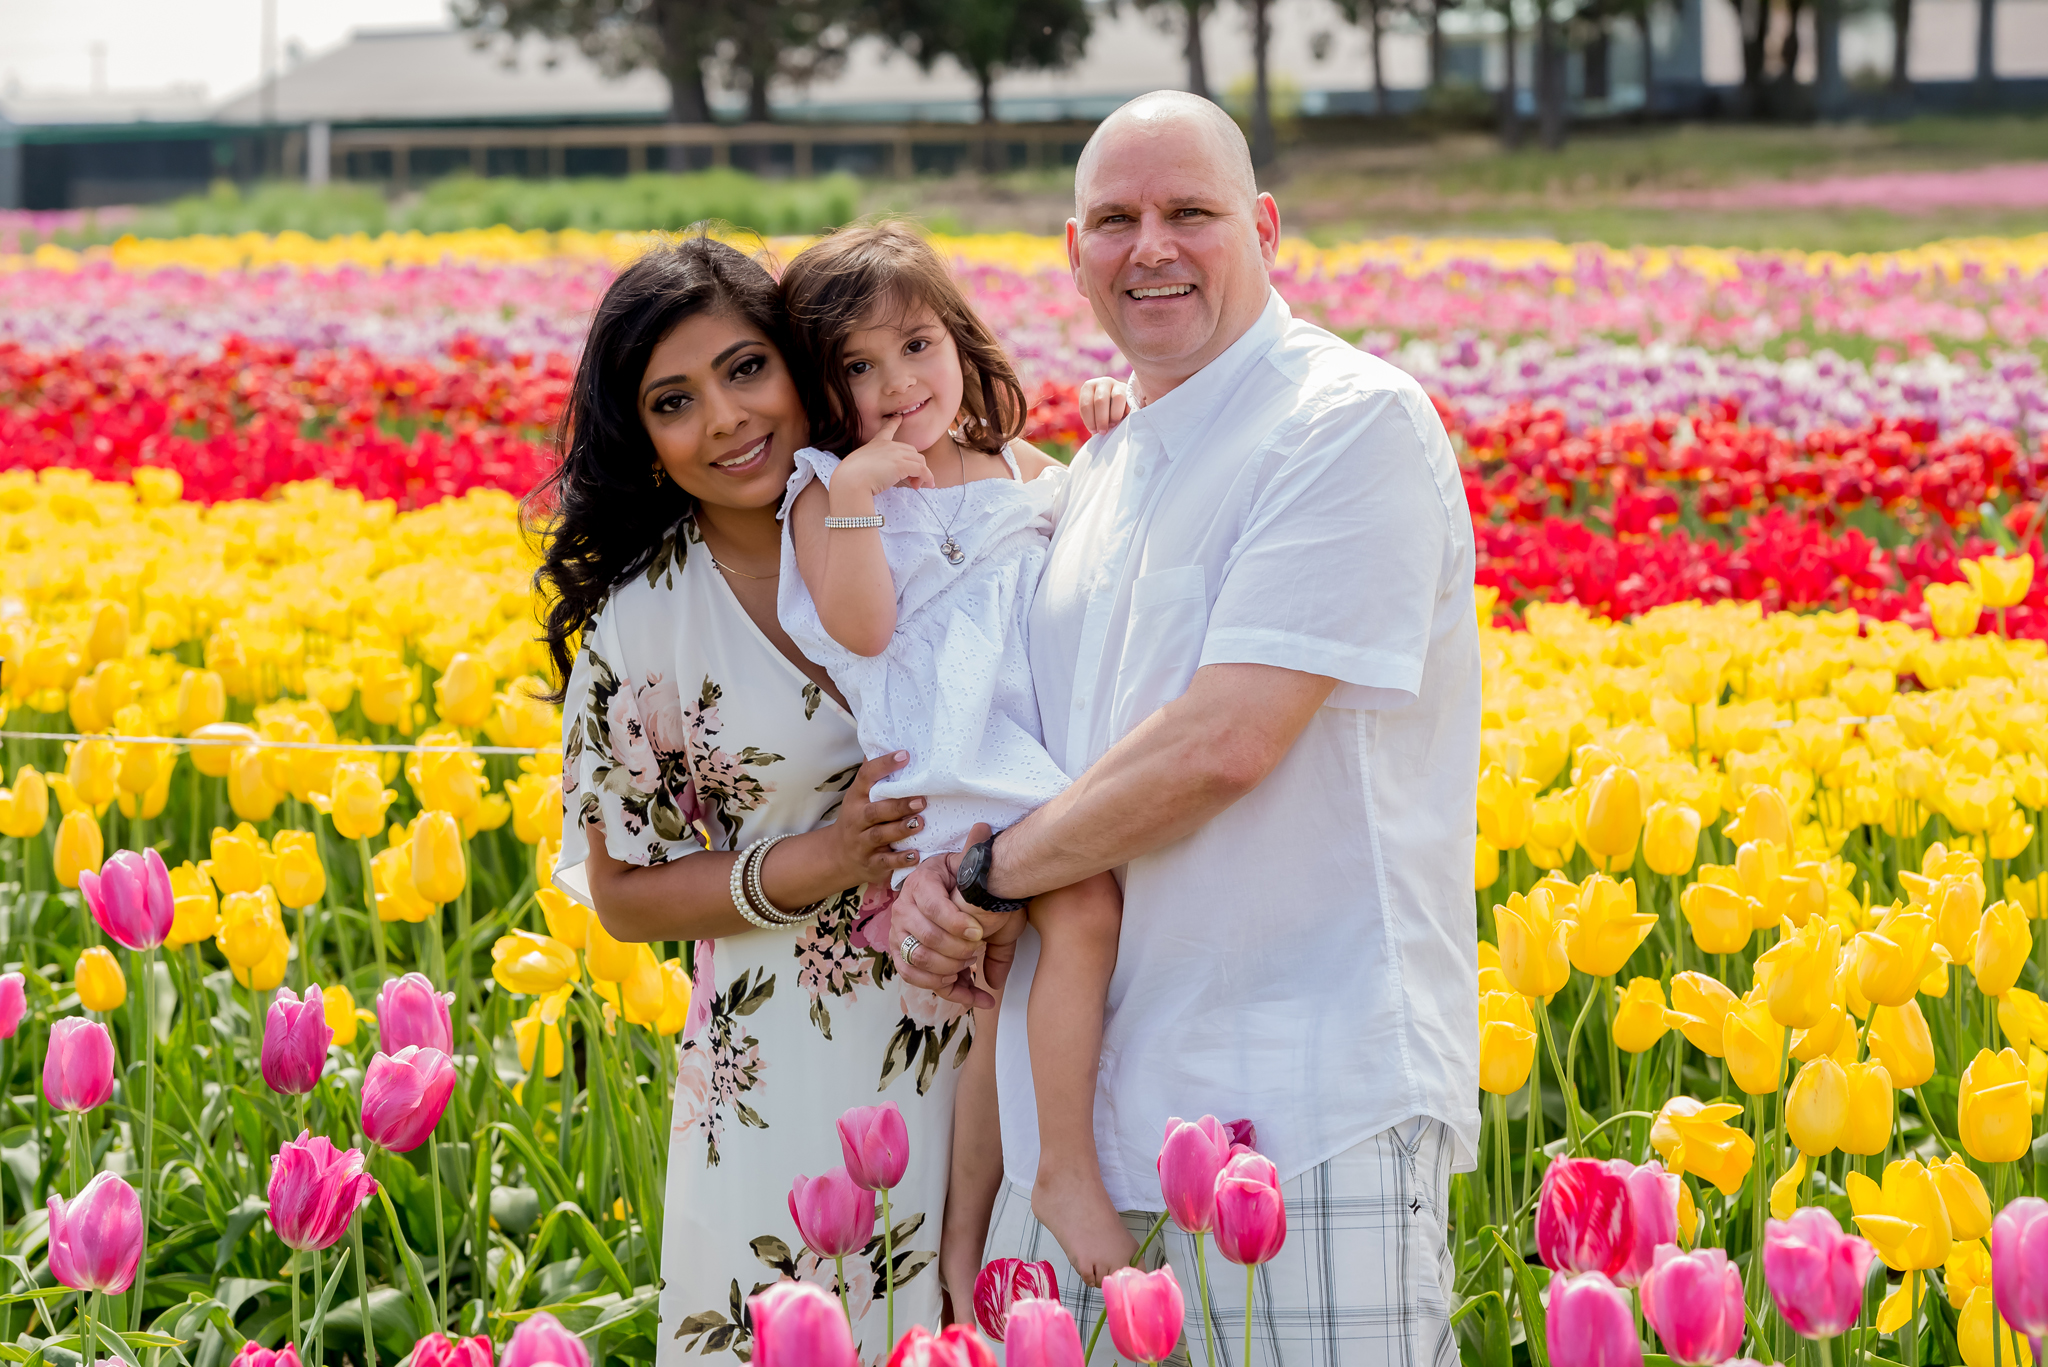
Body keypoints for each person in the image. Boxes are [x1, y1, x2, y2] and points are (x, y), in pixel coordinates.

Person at [893, 92, 1483, 1366]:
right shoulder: (1097, 470)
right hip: (1092, 1127)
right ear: (1072, 251)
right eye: (1114, 218)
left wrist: (986, 875)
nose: (1149, 245)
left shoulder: (1345, 423)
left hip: (1304, 1100)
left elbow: (1223, 740)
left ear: (1263, 226)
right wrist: (945, 886)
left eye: (1189, 213)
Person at [536, 235, 961, 1365]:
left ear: (798, 365)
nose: (724, 418)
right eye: (674, 400)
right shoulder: (644, 624)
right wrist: (821, 859)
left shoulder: (929, 516)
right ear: (644, 439)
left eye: (744, 369)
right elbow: (621, 894)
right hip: (782, 1073)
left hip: (989, 1030)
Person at [773, 223, 1134, 1295]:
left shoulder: (1011, 462)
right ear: (824, 389)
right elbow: (866, 629)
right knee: (1084, 909)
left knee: (1000, 1016)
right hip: (948, 760)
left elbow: (1092, 535)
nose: (895, 385)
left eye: (916, 346)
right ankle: (1063, 1167)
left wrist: (1113, 429)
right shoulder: (826, 490)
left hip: (1027, 749)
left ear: (961, 343)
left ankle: (964, 1247)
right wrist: (854, 498)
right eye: (857, 367)